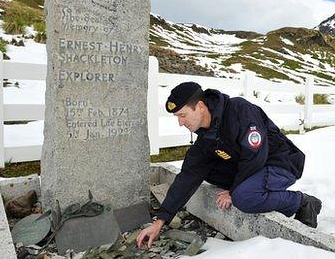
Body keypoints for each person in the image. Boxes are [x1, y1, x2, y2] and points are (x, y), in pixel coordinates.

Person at [136, 82, 322, 249]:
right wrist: (160, 221)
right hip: (254, 167)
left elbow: (255, 155)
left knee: (243, 197)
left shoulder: (239, 109)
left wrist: (234, 190)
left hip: (281, 162)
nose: (180, 123)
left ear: (200, 106)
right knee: (204, 170)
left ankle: (303, 202)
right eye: (177, 117)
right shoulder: (205, 137)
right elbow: (187, 176)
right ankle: (251, 190)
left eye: (183, 115)